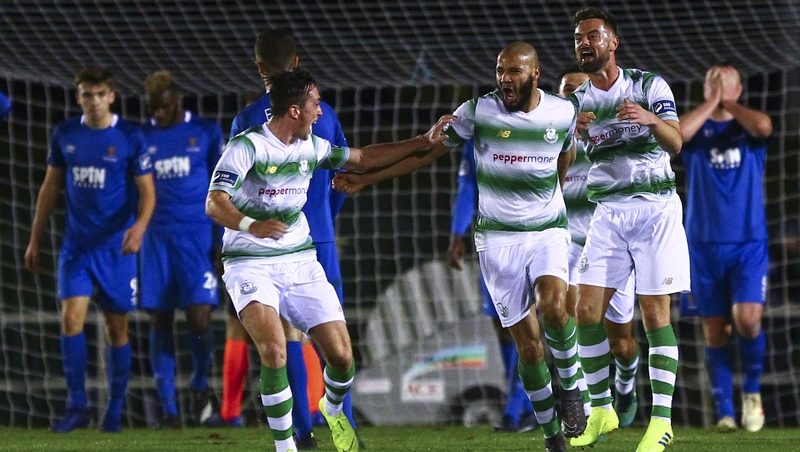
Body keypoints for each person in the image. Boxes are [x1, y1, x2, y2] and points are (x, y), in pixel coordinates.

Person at [335, 41, 587, 452]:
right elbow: (424, 151)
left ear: (535, 74)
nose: (505, 78)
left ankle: (573, 391)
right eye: (500, 70)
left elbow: (565, 156)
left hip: (547, 232)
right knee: (526, 345)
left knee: (555, 307)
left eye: (515, 71)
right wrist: (366, 180)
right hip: (497, 241)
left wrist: (550, 198)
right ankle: (550, 435)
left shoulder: (563, 113)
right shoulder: (476, 113)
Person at [205, 68, 453, 452]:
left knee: (341, 357)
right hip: (249, 261)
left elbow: (363, 158)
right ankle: (286, 446)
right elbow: (214, 202)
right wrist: (250, 225)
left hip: (299, 260)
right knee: (273, 350)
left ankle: (333, 408)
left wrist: (422, 139)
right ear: (293, 111)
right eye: (315, 104)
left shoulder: (310, 146)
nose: (320, 112)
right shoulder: (247, 146)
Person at [205, 28, 355, 449]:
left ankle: (303, 430)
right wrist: (324, 222)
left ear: (259, 68)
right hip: (315, 237)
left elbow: (233, 194)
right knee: (331, 344)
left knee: (289, 340)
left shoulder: (246, 119)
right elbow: (341, 179)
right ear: (297, 60)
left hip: (283, 243)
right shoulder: (325, 113)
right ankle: (337, 425)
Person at [567, 8, 690, 452]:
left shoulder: (647, 85)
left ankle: (661, 422)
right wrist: (567, 137)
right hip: (608, 213)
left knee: (655, 313)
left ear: (613, 42)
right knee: (584, 311)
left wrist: (651, 119)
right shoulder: (576, 104)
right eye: (579, 38)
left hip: (655, 209)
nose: (584, 44)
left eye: (593, 36)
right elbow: (563, 172)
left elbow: (676, 142)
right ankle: (602, 409)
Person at [24, 66, 156, 433]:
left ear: (111, 96)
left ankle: (114, 411)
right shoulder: (65, 134)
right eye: (86, 94)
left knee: (117, 329)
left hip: (116, 249)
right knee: (70, 320)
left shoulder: (130, 136)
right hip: (77, 246)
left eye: (100, 94)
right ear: (79, 96)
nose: (93, 100)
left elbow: (147, 192)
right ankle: (77, 406)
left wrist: (139, 228)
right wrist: (35, 238)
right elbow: (49, 189)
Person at [678, 63, 772, 433]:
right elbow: (679, 134)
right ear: (704, 90)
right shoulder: (698, 132)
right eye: (712, 82)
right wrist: (713, 102)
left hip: (748, 243)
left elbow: (765, 126)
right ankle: (725, 412)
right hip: (702, 246)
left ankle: (751, 394)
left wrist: (728, 103)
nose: (719, 86)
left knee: (748, 321)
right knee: (715, 332)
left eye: (726, 80)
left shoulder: (748, 129)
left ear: (739, 88)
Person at [557, 66, 641, 429]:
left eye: (580, 90)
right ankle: (590, 409)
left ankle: (625, 383)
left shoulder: (611, 135)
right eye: (566, 92)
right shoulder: (554, 138)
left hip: (611, 244)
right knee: (572, 317)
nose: (575, 98)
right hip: (569, 244)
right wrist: (564, 140)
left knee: (621, 342)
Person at [139, 70, 224, 428]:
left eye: (162, 106)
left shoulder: (205, 133)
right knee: (159, 318)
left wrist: (221, 242)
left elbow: (222, 189)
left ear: (176, 101)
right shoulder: (141, 138)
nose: (157, 114)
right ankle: (169, 408)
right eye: (152, 108)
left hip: (196, 240)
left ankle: (201, 391)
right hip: (155, 241)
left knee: (200, 316)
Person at [447, 139, 537, 434]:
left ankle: (516, 408)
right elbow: (468, 186)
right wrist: (458, 232)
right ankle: (525, 407)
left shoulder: (541, 126)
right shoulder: (477, 136)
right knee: (504, 326)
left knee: (532, 323)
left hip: (534, 237)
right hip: (493, 243)